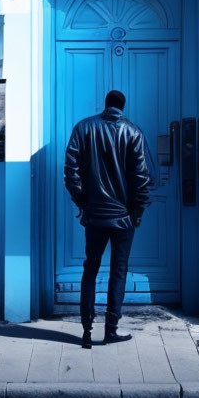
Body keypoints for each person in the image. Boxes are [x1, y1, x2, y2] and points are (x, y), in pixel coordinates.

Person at [64, 89, 152, 348]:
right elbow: (141, 178)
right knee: (118, 272)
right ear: (122, 107)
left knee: (90, 269)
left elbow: (71, 172)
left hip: (95, 216)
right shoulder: (133, 132)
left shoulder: (83, 128)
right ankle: (111, 329)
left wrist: (83, 202)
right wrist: (137, 212)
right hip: (123, 218)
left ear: (105, 105)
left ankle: (86, 331)